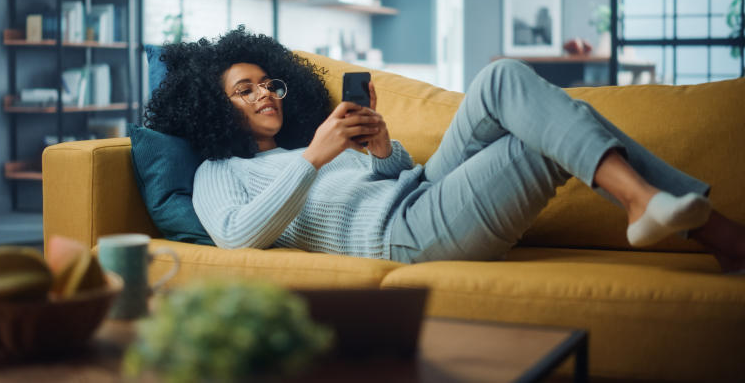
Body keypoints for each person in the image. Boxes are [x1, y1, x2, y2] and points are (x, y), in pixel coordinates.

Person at [145, 26, 745, 272]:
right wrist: (315, 158)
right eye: (242, 91)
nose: (263, 95)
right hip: (406, 235)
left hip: (422, 189)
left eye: (268, 84)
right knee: (543, 145)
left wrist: (383, 150)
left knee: (502, 79)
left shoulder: (314, 139)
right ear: (213, 107)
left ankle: (665, 211)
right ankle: (708, 228)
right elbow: (237, 235)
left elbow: (391, 179)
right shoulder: (220, 173)